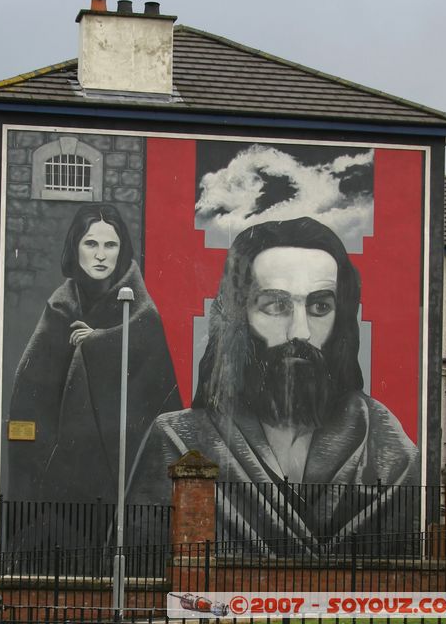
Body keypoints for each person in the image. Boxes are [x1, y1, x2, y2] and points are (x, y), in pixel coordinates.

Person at [127, 217, 419, 548]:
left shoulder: (387, 447)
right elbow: (142, 564)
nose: (300, 331)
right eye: (276, 305)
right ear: (238, 317)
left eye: (320, 306)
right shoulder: (178, 440)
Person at [8, 203, 181, 503]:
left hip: (116, 474)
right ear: (75, 247)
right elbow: (30, 390)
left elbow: (157, 401)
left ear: (121, 249)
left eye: (110, 244)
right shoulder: (60, 309)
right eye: (91, 243)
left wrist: (97, 343)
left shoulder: (141, 312)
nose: (101, 255)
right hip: (62, 479)